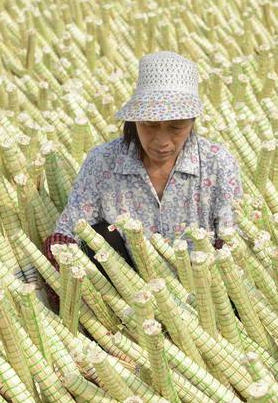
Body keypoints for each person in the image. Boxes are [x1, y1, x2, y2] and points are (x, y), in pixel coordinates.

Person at [42, 51, 243, 278]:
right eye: (150, 125)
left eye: (176, 127)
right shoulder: (102, 162)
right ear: (135, 120)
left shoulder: (217, 163)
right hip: (128, 293)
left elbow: (232, 238)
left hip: (204, 285)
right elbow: (67, 233)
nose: (162, 141)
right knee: (99, 236)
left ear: (192, 121)